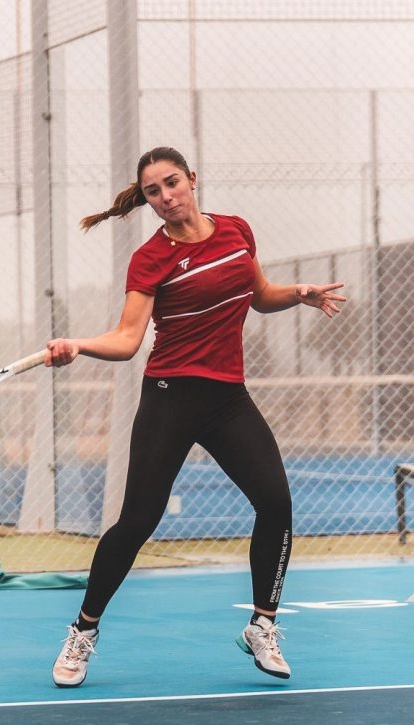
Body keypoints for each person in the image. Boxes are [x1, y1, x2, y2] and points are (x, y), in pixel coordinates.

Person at [45, 146, 346, 688]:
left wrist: (298, 293)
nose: (165, 196)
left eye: (172, 183)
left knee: (275, 501)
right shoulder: (150, 259)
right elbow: (128, 339)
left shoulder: (236, 231)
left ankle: (263, 624)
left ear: (192, 180)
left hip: (228, 398)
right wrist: (80, 346)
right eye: (153, 191)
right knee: (137, 522)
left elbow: (258, 296)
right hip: (170, 397)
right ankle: (83, 632)